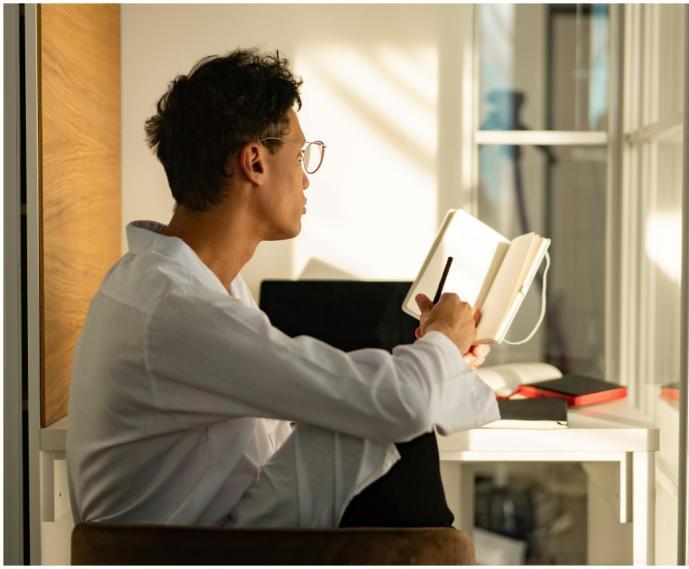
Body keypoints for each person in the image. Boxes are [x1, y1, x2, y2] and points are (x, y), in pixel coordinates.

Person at [66, 49, 499, 529]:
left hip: (210, 532)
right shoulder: (177, 308)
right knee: (398, 415)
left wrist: (443, 356)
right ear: (254, 162)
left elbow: (317, 404)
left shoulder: (185, 283)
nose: (307, 177)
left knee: (389, 408)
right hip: (185, 556)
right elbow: (400, 403)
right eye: (300, 153)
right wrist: (440, 344)